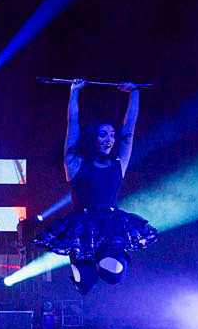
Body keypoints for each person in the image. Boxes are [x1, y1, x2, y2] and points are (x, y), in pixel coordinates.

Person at [33, 79, 157, 294]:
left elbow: (130, 127)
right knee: (85, 284)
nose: (109, 139)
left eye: (112, 135)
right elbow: (73, 123)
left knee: (114, 275)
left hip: (112, 226)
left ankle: (102, 260)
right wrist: (74, 92)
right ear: (92, 138)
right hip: (82, 227)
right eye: (103, 134)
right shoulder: (75, 163)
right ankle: (84, 269)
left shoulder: (118, 163)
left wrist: (135, 91)